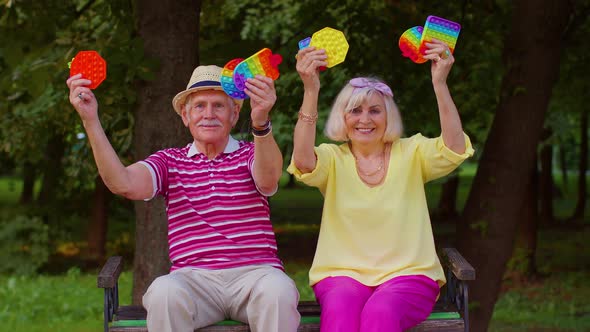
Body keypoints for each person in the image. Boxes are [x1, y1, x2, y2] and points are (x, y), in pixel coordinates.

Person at [66, 65, 300, 332]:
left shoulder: (250, 152)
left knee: (278, 290)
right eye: (199, 106)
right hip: (194, 281)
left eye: (219, 106)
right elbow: (123, 183)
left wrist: (260, 123)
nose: (208, 114)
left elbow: (269, 179)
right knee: (163, 291)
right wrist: (90, 120)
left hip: (256, 275)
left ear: (235, 114)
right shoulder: (169, 161)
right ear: (185, 116)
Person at [288, 40, 475, 331]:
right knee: (340, 312)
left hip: (409, 275)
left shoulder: (411, 151)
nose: (365, 119)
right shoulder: (333, 158)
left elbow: (454, 147)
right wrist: (311, 89)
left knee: (381, 310)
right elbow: (302, 160)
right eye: (355, 111)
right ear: (343, 118)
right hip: (342, 274)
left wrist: (440, 84)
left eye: (375, 111)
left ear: (388, 116)